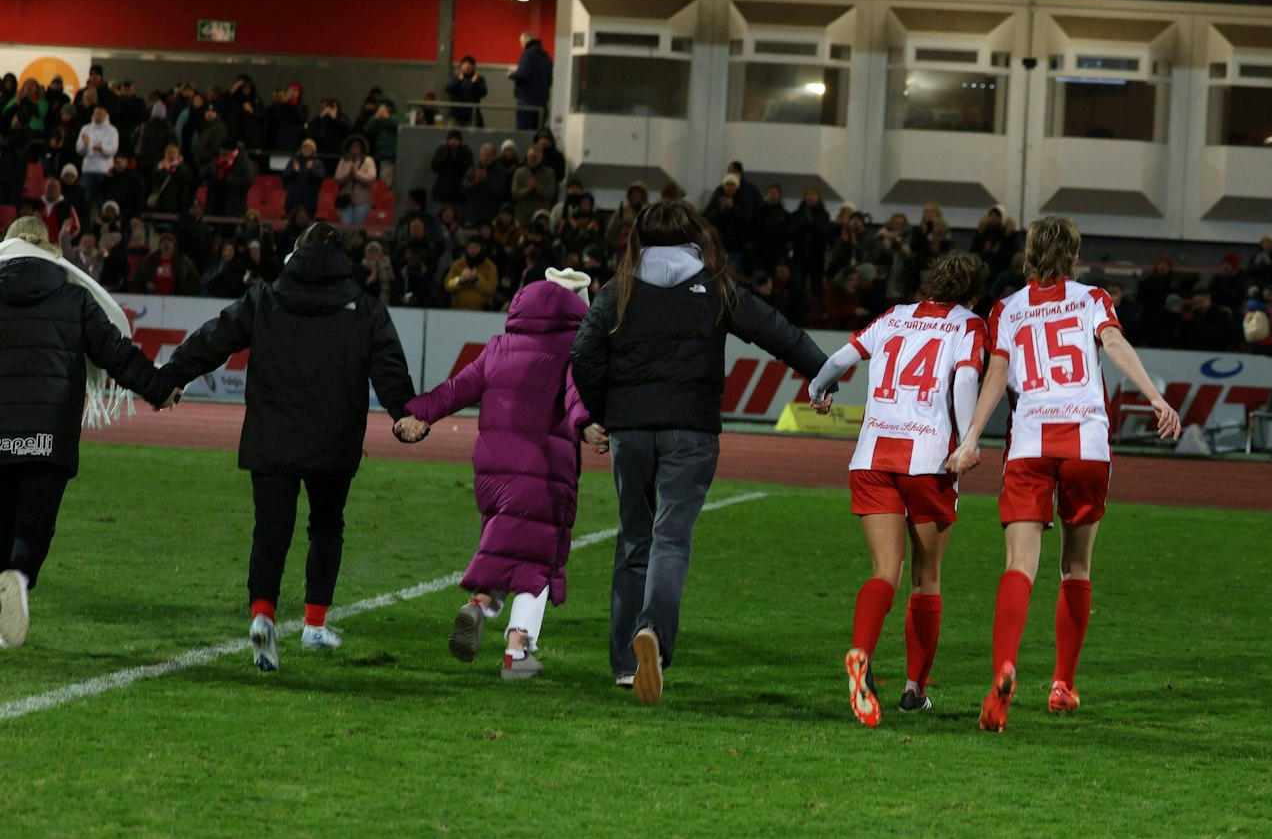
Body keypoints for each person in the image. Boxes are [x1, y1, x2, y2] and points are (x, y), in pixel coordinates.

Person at [570, 200, 827, 703]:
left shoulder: (619, 290)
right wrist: (823, 373)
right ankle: (654, 638)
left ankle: (626, 663)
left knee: (633, 541)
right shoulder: (715, 288)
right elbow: (776, 330)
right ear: (694, 235)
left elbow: (582, 353)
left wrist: (604, 409)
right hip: (691, 431)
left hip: (631, 432)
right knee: (671, 540)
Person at [945, 216, 1182, 732]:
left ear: (1028, 256)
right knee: (1076, 568)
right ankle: (1062, 685)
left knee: (1019, 565)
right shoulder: (1092, 297)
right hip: (1087, 444)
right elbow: (1114, 346)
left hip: (1030, 442)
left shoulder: (1006, 309)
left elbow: (997, 374)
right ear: (1074, 257)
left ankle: (1005, 666)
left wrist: (968, 441)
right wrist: (1156, 398)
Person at [160, 223, 422, 673]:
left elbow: (214, 338)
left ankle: (263, 614)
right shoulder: (364, 308)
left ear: (296, 252)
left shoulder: (264, 299)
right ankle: (315, 625)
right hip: (334, 438)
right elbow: (388, 365)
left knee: (271, 530)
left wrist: (172, 376)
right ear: (343, 258)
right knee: (326, 527)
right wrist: (402, 412)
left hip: (272, 434)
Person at [804, 250, 988, 727]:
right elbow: (967, 377)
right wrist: (968, 440)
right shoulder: (969, 324)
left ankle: (861, 652)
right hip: (928, 460)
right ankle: (913, 689)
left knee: (884, 571)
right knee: (926, 578)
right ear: (973, 293)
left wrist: (817, 391)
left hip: (871, 458)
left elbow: (840, 360)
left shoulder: (894, 316)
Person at [400, 271, 597, 679]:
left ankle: (480, 606)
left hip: (490, 472)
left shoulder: (498, 347)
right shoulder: (572, 349)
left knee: (507, 549)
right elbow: (577, 395)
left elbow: (456, 389)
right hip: (542, 469)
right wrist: (588, 425)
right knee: (540, 559)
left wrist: (418, 413)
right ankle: (517, 653)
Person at [0, 218, 181, 646]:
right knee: (32, 530)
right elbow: (117, 355)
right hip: (50, 434)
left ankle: (6, 590)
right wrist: (159, 387)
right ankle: (19, 577)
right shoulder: (73, 298)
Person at [509, 32, 553, 130]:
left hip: (526, 102)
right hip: (542, 103)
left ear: (525, 42)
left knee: (523, 135)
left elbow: (523, 74)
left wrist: (511, 75)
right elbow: (550, 81)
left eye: (522, 43)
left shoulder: (527, 54)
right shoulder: (547, 57)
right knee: (537, 134)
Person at [444, 56, 488, 127]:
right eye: (465, 64)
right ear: (461, 66)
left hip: (472, 116)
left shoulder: (478, 78)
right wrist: (458, 80)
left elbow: (483, 93)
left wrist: (475, 83)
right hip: (455, 115)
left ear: (474, 67)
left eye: (470, 65)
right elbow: (449, 89)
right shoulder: (455, 76)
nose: (467, 67)